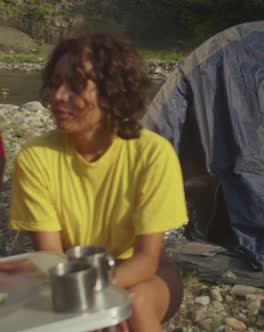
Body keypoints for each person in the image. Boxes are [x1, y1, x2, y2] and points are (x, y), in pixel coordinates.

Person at [8, 32, 187, 331]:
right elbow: (50, 256)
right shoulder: (35, 157)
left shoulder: (152, 154)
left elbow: (145, 259)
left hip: (144, 273)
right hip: (69, 270)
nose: (58, 96)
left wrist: (97, 292)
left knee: (134, 302)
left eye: (76, 85)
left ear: (112, 91)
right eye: (54, 84)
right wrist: (82, 296)